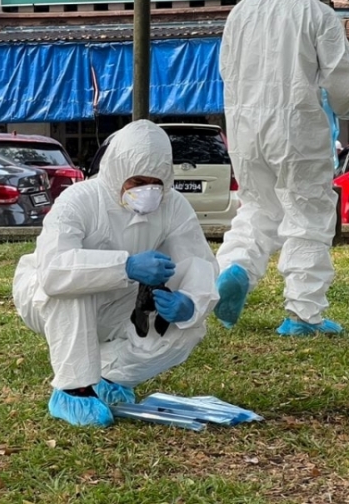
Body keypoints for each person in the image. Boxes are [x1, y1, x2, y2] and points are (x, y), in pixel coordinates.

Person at [13, 120, 219, 427]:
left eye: (156, 181)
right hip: (47, 298)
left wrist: (190, 300)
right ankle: (74, 388)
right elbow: (54, 270)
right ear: (116, 170)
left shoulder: (173, 206)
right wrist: (124, 266)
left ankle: (109, 377)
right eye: (136, 181)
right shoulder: (80, 199)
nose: (147, 191)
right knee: (79, 283)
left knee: (187, 328)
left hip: (120, 302)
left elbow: (197, 260)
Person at [213, 0, 349, 337]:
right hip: (297, 130)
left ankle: (233, 270)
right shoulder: (317, 13)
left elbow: (227, 71)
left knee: (258, 209)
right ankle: (304, 314)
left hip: (245, 132)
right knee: (307, 215)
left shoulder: (240, 12)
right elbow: (339, 77)